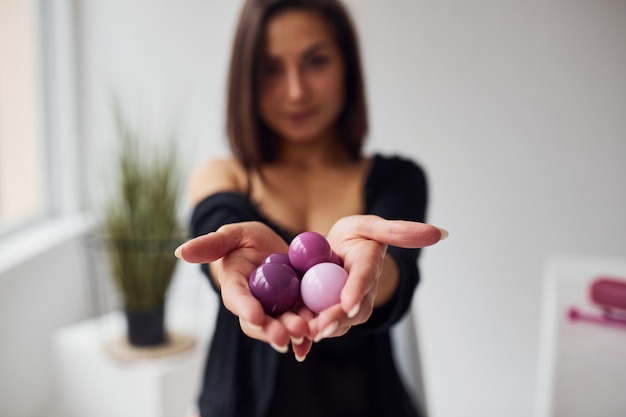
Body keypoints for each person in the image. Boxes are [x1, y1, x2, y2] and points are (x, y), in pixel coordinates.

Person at [174, 0, 448, 416]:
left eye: (315, 61)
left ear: (347, 67)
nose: (296, 90)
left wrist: (369, 276)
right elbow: (221, 240)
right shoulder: (222, 176)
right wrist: (231, 267)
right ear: (246, 78)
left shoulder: (398, 179)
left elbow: (396, 278)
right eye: (271, 68)